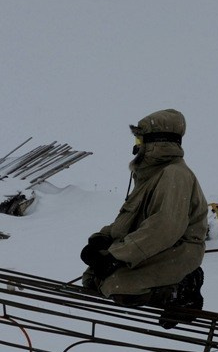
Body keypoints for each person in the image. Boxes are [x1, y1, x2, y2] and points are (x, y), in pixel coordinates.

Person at [80, 108, 208, 328]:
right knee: (93, 280)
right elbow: (130, 219)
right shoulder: (151, 176)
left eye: (140, 138)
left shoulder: (175, 175)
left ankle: (183, 287)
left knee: (119, 288)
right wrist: (103, 238)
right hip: (153, 248)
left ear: (155, 142)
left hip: (178, 250)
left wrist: (116, 257)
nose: (136, 145)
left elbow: (165, 227)